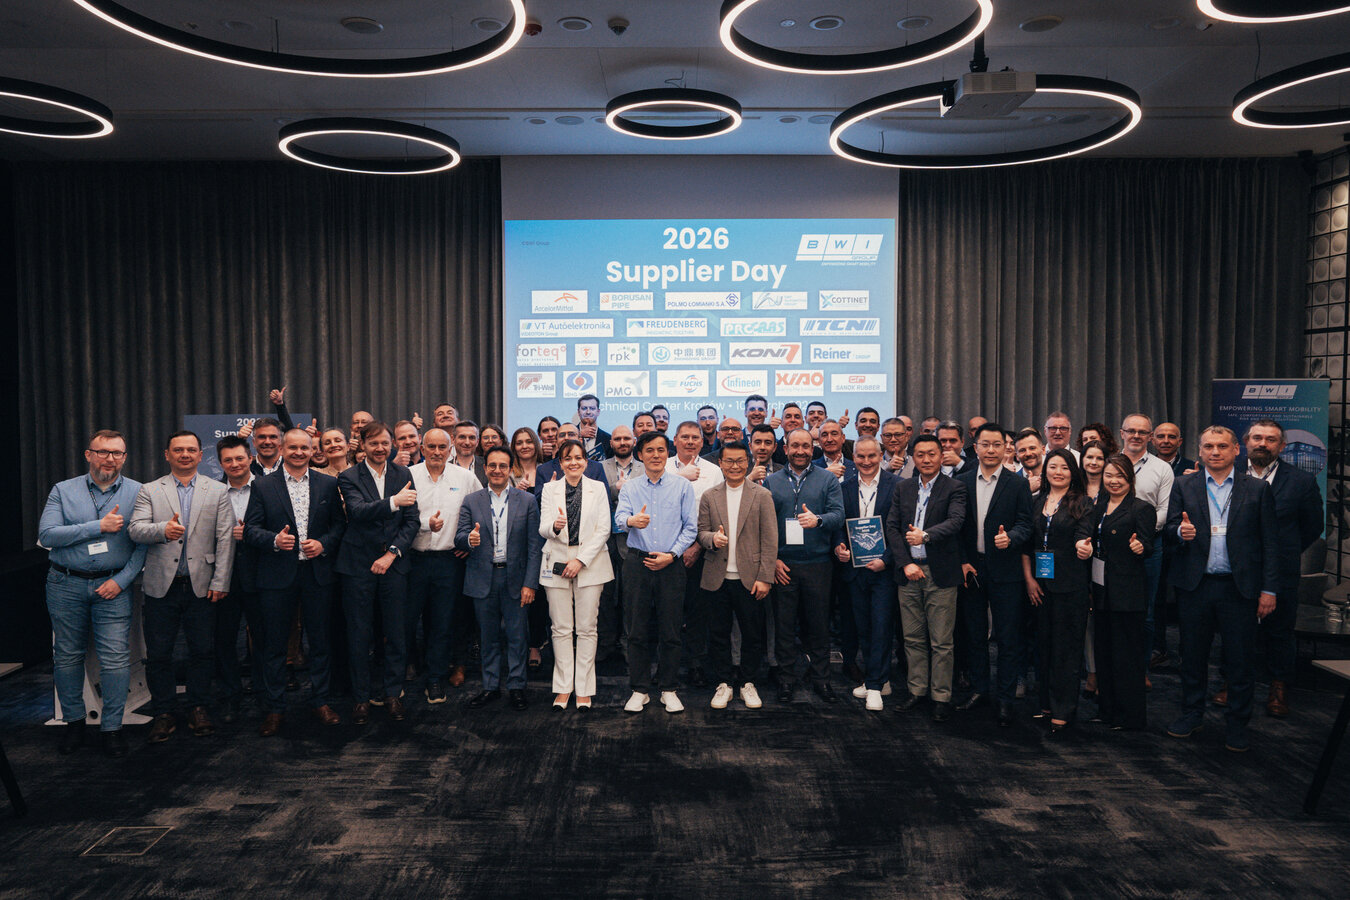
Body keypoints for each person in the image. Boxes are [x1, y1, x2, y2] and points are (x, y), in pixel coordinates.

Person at [1164, 426, 1279, 753]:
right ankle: (1192, 714)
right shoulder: (1183, 485)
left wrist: (1269, 590)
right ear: (1200, 451)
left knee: (1240, 660)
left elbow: (1271, 544)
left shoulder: (1257, 489)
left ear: (1236, 450)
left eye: (1222, 446)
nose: (1215, 452)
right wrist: (1179, 532)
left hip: (1238, 588)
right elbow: (1169, 528)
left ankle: (1237, 724)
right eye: (1209, 446)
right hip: (1196, 586)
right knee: (1192, 656)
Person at [39, 429, 148, 757]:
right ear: (89, 454)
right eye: (103, 452)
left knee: (115, 658)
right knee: (67, 655)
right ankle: (74, 723)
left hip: (113, 586)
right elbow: (48, 535)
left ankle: (112, 728)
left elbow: (143, 545)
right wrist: (97, 527)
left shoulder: (139, 492)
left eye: (117, 453)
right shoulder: (63, 490)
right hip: (65, 584)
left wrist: (123, 580)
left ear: (124, 458)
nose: (109, 459)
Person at [128, 430, 235, 743]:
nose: (185, 454)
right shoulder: (150, 490)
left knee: (202, 651)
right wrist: (163, 530)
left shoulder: (218, 490)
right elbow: (135, 529)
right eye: (178, 450)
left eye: (191, 450)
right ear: (167, 455)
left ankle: (198, 707)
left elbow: (225, 539)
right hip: (161, 586)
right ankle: (164, 712)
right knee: (159, 654)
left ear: (201, 455)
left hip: (203, 585)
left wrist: (221, 580)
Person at [243, 428, 346, 736]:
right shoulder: (262, 485)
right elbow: (250, 530)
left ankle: (321, 701)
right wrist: (274, 540)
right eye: (293, 447)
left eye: (305, 447)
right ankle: (275, 708)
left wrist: (324, 544)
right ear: (282, 450)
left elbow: (340, 526)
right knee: (274, 645)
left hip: (317, 574)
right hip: (277, 575)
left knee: (320, 642)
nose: (299, 452)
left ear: (312, 450)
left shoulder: (328, 483)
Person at [336, 421, 420, 724]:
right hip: (357, 565)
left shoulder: (403, 474)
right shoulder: (348, 476)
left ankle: (393, 694)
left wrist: (391, 553)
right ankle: (361, 698)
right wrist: (394, 502)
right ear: (363, 445)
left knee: (396, 632)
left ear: (392, 444)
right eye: (373, 443)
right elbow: (357, 512)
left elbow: (412, 521)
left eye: (385, 443)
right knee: (359, 634)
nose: (380, 448)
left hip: (393, 564)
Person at [614, 431, 698, 714]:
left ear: (668, 453)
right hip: (637, 563)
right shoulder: (630, 487)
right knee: (636, 630)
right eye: (649, 450)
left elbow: (691, 528)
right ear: (640, 455)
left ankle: (668, 688)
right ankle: (639, 689)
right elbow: (619, 519)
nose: (656, 455)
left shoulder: (682, 486)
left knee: (671, 630)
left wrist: (672, 555)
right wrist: (631, 520)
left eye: (661, 450)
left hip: (670, 564)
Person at [955, 423, 1033, 727]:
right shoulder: (961, 482)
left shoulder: (1018, 484)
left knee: (1008, 637)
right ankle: (979, 690)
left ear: (1006, 448)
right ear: (975, 448)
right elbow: (956, 528)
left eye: (996, 445)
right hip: (972, 569)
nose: (990, 450)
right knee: (974, 635)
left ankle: (1005, 699)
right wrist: (963, 561)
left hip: (1006, 568)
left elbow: (1026, 524)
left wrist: (1011, 537)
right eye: (984, 444)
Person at [1245, 419, 1323, 718]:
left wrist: (1283, 552)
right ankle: (1231, 681)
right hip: (1238, 566)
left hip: (1281, 569)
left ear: (1282, 446)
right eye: (1257, 438)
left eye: (1270, 439)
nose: (1262, 444)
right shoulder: (1231, 474)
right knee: (1237, 627)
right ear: (1247, 442)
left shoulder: (1301, 481)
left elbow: (1312, 526)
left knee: (1280, 630)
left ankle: (1279, 686)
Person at [887, 434, 967, 721]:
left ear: (941, 455)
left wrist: (926, 536)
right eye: (920, 454)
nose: (926, 459)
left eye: (932, 454)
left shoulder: (955, 487)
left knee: (941, 641)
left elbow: (956, 522)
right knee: (912, 638)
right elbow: (892, 527)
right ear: (913, 458)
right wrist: (905, 563)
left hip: (939, 572)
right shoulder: (903, 487)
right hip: (910, 571)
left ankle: (941, 696)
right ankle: (917, 690)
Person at [457, 446, 542, 711]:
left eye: (502, 466)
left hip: (516, 578)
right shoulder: (471, 501)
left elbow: (534, 546)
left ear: (510, 469)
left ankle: (516, 686)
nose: (497, 470)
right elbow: (459, 536)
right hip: (483, 578)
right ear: (485, 469)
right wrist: (468, 539)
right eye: (492, 465)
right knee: (488, 636)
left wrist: (530, 583)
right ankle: (490, 686)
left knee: (517, 636)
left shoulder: (526, 501)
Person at [765, 429, 846, 703]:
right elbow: (764, 524)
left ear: (814, 449)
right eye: (795, 446)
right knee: (784, 628)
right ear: (785, 448)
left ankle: (822, 679)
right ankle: (786, 679)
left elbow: (839, 515)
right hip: (783, 565)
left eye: (806, 446)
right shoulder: (771, 481)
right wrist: (773, 559)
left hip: (818, 565)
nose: (800, 451)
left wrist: (818, 520)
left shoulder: (827, 479)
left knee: (819, 627)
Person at [698, 440, 777, 710]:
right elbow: (701, 532)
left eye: (740, 461)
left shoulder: (762, 495)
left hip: (751, 578)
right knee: (718, 634)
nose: (735, 466)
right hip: (717, 577)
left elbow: (770, 540)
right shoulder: (709, 496)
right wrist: (712, 539)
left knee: (752, 635)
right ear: (720, 464)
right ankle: (724, 684)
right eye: (729, 461)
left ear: (748, 462)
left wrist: (765, 577)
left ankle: (747, 683)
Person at [1023, 449, 1095, 733]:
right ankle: (1046, 703)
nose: (1058, 472)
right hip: (1039, 584)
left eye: (1064, 467)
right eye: (1053, 467)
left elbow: (1083, 534)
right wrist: (1029, 579)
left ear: (1073, 472)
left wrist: (1083, 547)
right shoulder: (1036, 501)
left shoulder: (1083, 502)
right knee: (1044, 646)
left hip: (1070, 585)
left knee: (1066, 649)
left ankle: (1063, 709)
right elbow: (1028, 544)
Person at [538, 439, 614, 709]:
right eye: (568, 458)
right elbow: (543, 528)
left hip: (590, 562)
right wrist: (555, 527)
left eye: (579, 458)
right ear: (560, 463)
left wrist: (580, 560)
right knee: (560, 629)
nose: (574, 462)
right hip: (556, 561)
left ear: (586, 461)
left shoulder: (598, 488)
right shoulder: (549, 489)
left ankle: (584, 689)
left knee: (587, 629)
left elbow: (604, 529)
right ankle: (563, 687)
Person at [407, 428, 480, 704]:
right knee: (405, 621)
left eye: (442, 447)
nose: (437, 452)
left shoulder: (465, 478)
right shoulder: (407, 475)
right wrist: (425, 525)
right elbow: (398, 516)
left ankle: (435, 679)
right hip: (413, 560)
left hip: (449, 561)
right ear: (422, 449)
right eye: (431, 447)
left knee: (442, 622)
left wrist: (467, 543)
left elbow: (480, 511)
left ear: (451, 450)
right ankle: (400, 676)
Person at [833, 437, 900, 710]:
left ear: (881, 455)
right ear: (854, 458)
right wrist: (839, 547)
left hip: (884, 571)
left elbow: (900, 528)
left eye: (872, 456)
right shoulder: (844, 487)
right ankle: (880, 678)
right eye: (860, 456)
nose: (866, 461)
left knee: (882, 627)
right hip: (855, 571)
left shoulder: (897, 486)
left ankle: (873, 686)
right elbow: (839, 524)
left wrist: (886, 560)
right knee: (864, 629)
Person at [1090, 455, 1155, 731]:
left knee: (1126, 657)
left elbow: (1148, 544)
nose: (1114, 481)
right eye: (1109, 475)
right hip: (1100, 590)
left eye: (1120, 475)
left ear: (1130, 478)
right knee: (1104, 653)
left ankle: (1130, 717)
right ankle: (1107, 711)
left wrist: (1141, 547)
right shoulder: (1098, 507)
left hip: (1127, 593)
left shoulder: (1141, 508)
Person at [668, 421, 724, 688]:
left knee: (698, 612)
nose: (690, 441)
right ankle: (667, 666)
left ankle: (696, 664)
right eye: (685, 437)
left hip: (700, 550)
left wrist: (697, 547)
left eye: (695, 438)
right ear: (675, 440)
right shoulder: (663, 467)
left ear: (702, 442)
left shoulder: (713, 471)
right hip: (666, 551)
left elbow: (718, 514)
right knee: (668, 612)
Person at [1118, 414, 1173, 678]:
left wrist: (1142, 535)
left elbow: (1165, 509)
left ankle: (1140, 672)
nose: (1136, 436)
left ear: (1150, 437)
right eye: (1131, 431)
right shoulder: (1109, 463)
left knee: (1146, 612)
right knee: (1112, 609)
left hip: (1149, 546)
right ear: (1122, 433)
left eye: (1142, 432)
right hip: (1112, 546)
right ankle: (1114, 669)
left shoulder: (1162, 469)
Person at [214, 435, 262, 724]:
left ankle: (265, 695)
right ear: (221, 464)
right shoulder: (213, 492)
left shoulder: (269, 488)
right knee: (224, 640)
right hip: (225, 577)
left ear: (250, 459)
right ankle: (231, 696)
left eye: (240, 458)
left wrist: (253, 534)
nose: (234, 464)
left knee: (264, 639)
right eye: (228, 460)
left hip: (261, 576)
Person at [599, 425, 638, 662]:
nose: (622, 442)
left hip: (633, 540)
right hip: (603, 539)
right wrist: (616, 489)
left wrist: (629, 489)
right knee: (604, 595)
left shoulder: (644, 468)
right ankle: (605, 644)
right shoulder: (598, 468)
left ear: (634, 441)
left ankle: (628, 644)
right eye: (617, 439)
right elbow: (595, 496)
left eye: (626, 438)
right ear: (611, 443)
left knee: (630, 597)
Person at [576, 394, 611, 461]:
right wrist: (578, 434)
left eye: (592, 408)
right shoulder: (568, 434)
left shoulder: (608, 439)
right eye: (584, 408)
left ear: (598, 412)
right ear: (578, 412)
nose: (588, 412)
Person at [452, 421, 487, 485]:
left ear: (477, 442)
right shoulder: (444, 468)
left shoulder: (488, 466)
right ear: (453, 440)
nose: (467, 442)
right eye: (462, 437)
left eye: (472, 438)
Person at [509, 427, 542, 491]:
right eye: (519, 443)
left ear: (536, 445)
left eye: (529, 442)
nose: (524, 446)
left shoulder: (545, 470)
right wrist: (516, 491)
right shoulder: (508, 473)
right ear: (514, 447)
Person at [1014, 428, 1045, 492]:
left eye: (1032, 448)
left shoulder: (1054, 478)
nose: (1028, 454)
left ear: (1043, 450)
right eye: (1022, 450)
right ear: (1016, 456)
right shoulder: (1010, 482)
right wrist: (1027, 490)